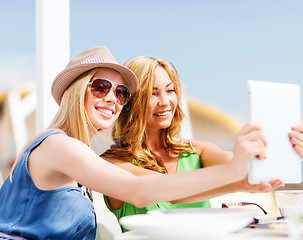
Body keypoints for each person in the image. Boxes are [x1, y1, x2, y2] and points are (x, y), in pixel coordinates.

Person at [0, 47, 267, 240]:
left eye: (121, 92)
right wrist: (233, 174)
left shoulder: (75, 155)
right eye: (101, 86)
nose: (112, 98)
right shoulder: (59, 146)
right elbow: (138, 190)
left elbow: (163, 192)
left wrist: (242, 181)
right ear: (76, 90)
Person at [101, 56, 303, 231]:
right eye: (152, 94)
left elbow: (243, 165)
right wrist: (237, 181)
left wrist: (286, 152)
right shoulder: (111, 164)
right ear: (130, 100)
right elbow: (168, 191)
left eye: (170, 90)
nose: (165, 102)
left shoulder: (197, 151)